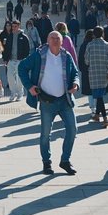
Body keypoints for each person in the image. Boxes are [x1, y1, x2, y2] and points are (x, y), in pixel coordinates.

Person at [18, 31, 80, 175]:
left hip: (65, 100)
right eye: (52, 37)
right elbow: (22, 68)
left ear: (62, 41)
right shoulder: (39, 55)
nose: (55, 40)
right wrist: (29, 86)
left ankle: (65, 160)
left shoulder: (66, 56)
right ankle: (47, 162)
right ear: (47, 40)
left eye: (58, 38)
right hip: (47, 101)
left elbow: (75, 73)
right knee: (46, 134)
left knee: (73, 130)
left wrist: (76, 84)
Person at [85, 26, 108, 127]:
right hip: (104, 73)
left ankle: (105, 118)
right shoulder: (107, 45)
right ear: (102, 34)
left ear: (94, 34)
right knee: (100, 95)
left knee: (98, 96)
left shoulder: (90, 45)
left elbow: (86, 61)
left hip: (93, 73)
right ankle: (97, 115)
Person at [2, 20, 31, 101]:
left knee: (19, 77)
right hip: (10, 60)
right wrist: (5, 59)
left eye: (15, 26)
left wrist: (24, 60)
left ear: (19, 26)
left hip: (20, 60)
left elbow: (27, 50)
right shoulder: (9, 37)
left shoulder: (24, 37)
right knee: (10, 77)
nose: (13, 28)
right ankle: (13, 92)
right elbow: (6, 48)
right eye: (12, 26)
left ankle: (20, 93)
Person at [77, 29, 94, 112]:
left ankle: (92, 107)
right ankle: (96, 107)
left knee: (89, 90)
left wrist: (81, 68)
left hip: (86, 70)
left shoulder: (84, 45)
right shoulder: (94, 45)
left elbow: (80, 58)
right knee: (96, 89)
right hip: (94, 69)